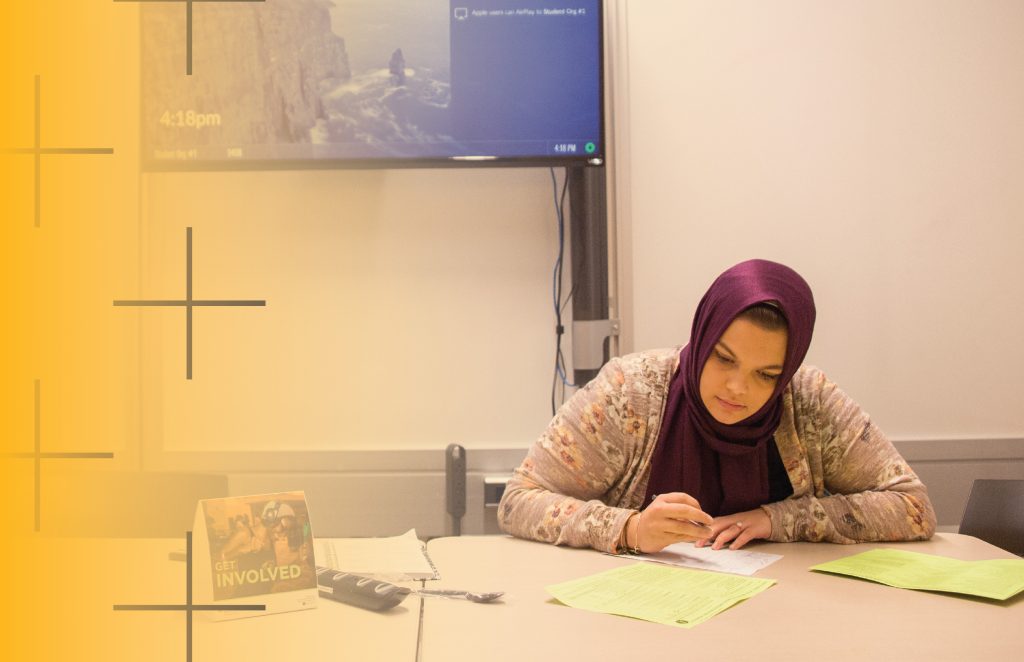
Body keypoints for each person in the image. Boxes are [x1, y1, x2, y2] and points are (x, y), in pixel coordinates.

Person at [498, 259, 936, 554]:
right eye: (723, 358)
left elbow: (913, 508)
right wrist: (629, 529)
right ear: (702, 337)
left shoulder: (809, 401)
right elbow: (518, 502)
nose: (737, 388)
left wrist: (777, 519)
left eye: (766, 374)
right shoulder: (629, 392)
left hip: (784, 622)